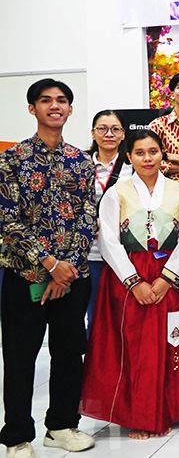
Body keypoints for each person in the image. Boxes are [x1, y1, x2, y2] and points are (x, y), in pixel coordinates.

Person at [80, 130, 179, 439]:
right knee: (133, 343)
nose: (147, 158)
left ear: (162, 155)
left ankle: (169, 409)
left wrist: (167, 279)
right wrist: (134, 282)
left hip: (170, 276)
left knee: (172, 341)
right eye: (140, 153)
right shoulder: (116, 193)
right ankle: (138, 413)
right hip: (129, 278)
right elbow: (108, 241)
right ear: (129, 156)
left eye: (153, 152)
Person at [0, 79, 97, 457]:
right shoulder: (12, 159)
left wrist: (67, 267)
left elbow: (88, 216)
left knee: (70, 353)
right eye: (46, 101)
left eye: (61, 101)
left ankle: (61, 425)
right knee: (20, 357)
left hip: (72, 277)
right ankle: (17, 436)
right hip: (25, 276)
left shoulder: (80, 160)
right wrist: (49, 263)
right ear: (32, 108)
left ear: (70, 109)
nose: (55, 106)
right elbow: (8, 220)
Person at [85, 109, 133, 331]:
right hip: (90, 254)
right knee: (94, 315)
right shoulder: (80, 166)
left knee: (123, 315)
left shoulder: (133, 168)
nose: (109, 134)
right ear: (93, 133)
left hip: (124, 254)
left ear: (123, 134)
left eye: (115, 129)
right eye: (102, 129)